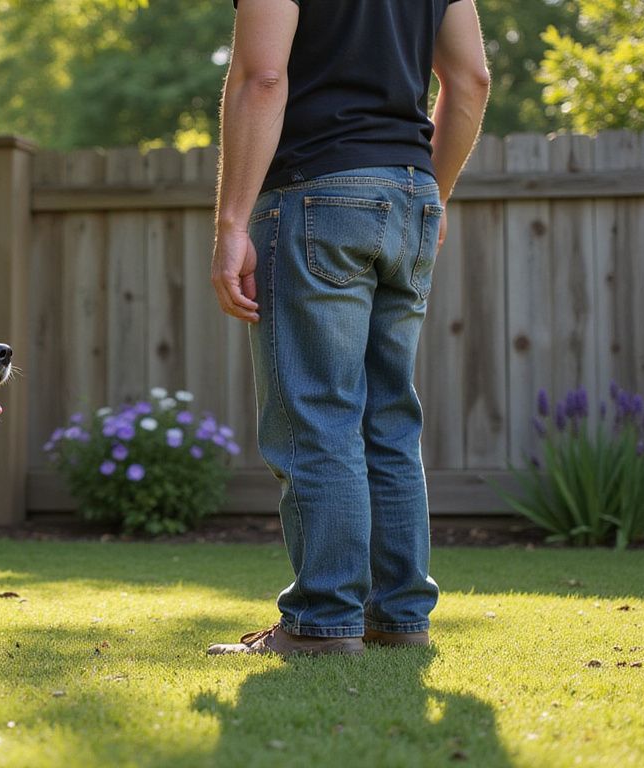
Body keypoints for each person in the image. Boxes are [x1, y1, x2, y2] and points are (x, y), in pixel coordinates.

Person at [207, 0, 491, 656]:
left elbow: (262, 77)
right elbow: (471, 77)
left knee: (318, 418)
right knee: (389, 422)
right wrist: (433, 192)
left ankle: (322, 622)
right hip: (410, 196)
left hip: (318, 192)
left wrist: (231, 225)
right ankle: (398, 617)